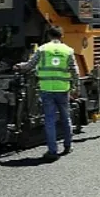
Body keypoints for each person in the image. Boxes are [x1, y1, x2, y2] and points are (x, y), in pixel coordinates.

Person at [13, 25, 80, 160]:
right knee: (65, 118)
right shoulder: (68, 51)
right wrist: (76, 88)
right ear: (61, 36)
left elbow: (29, 66)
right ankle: (68, 146)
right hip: (63, 89)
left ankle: (52, 151)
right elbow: (75, 72)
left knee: (49, 120)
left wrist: (18, 66)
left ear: (49, 36)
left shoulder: (42, 49)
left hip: (46, 89)